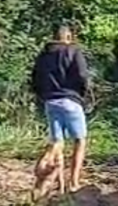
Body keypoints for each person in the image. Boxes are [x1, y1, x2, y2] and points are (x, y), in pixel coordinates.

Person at [31, 25, 91, 195]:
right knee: (80, 140)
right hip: (70, 100)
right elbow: (82, 74)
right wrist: (82, 93)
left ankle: (60, 184)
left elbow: (35, 77)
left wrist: (42, 95)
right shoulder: (73, 51)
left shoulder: (44, 54)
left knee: (57, 142)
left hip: (50, 101)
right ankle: (74, 182)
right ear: (68, 37)